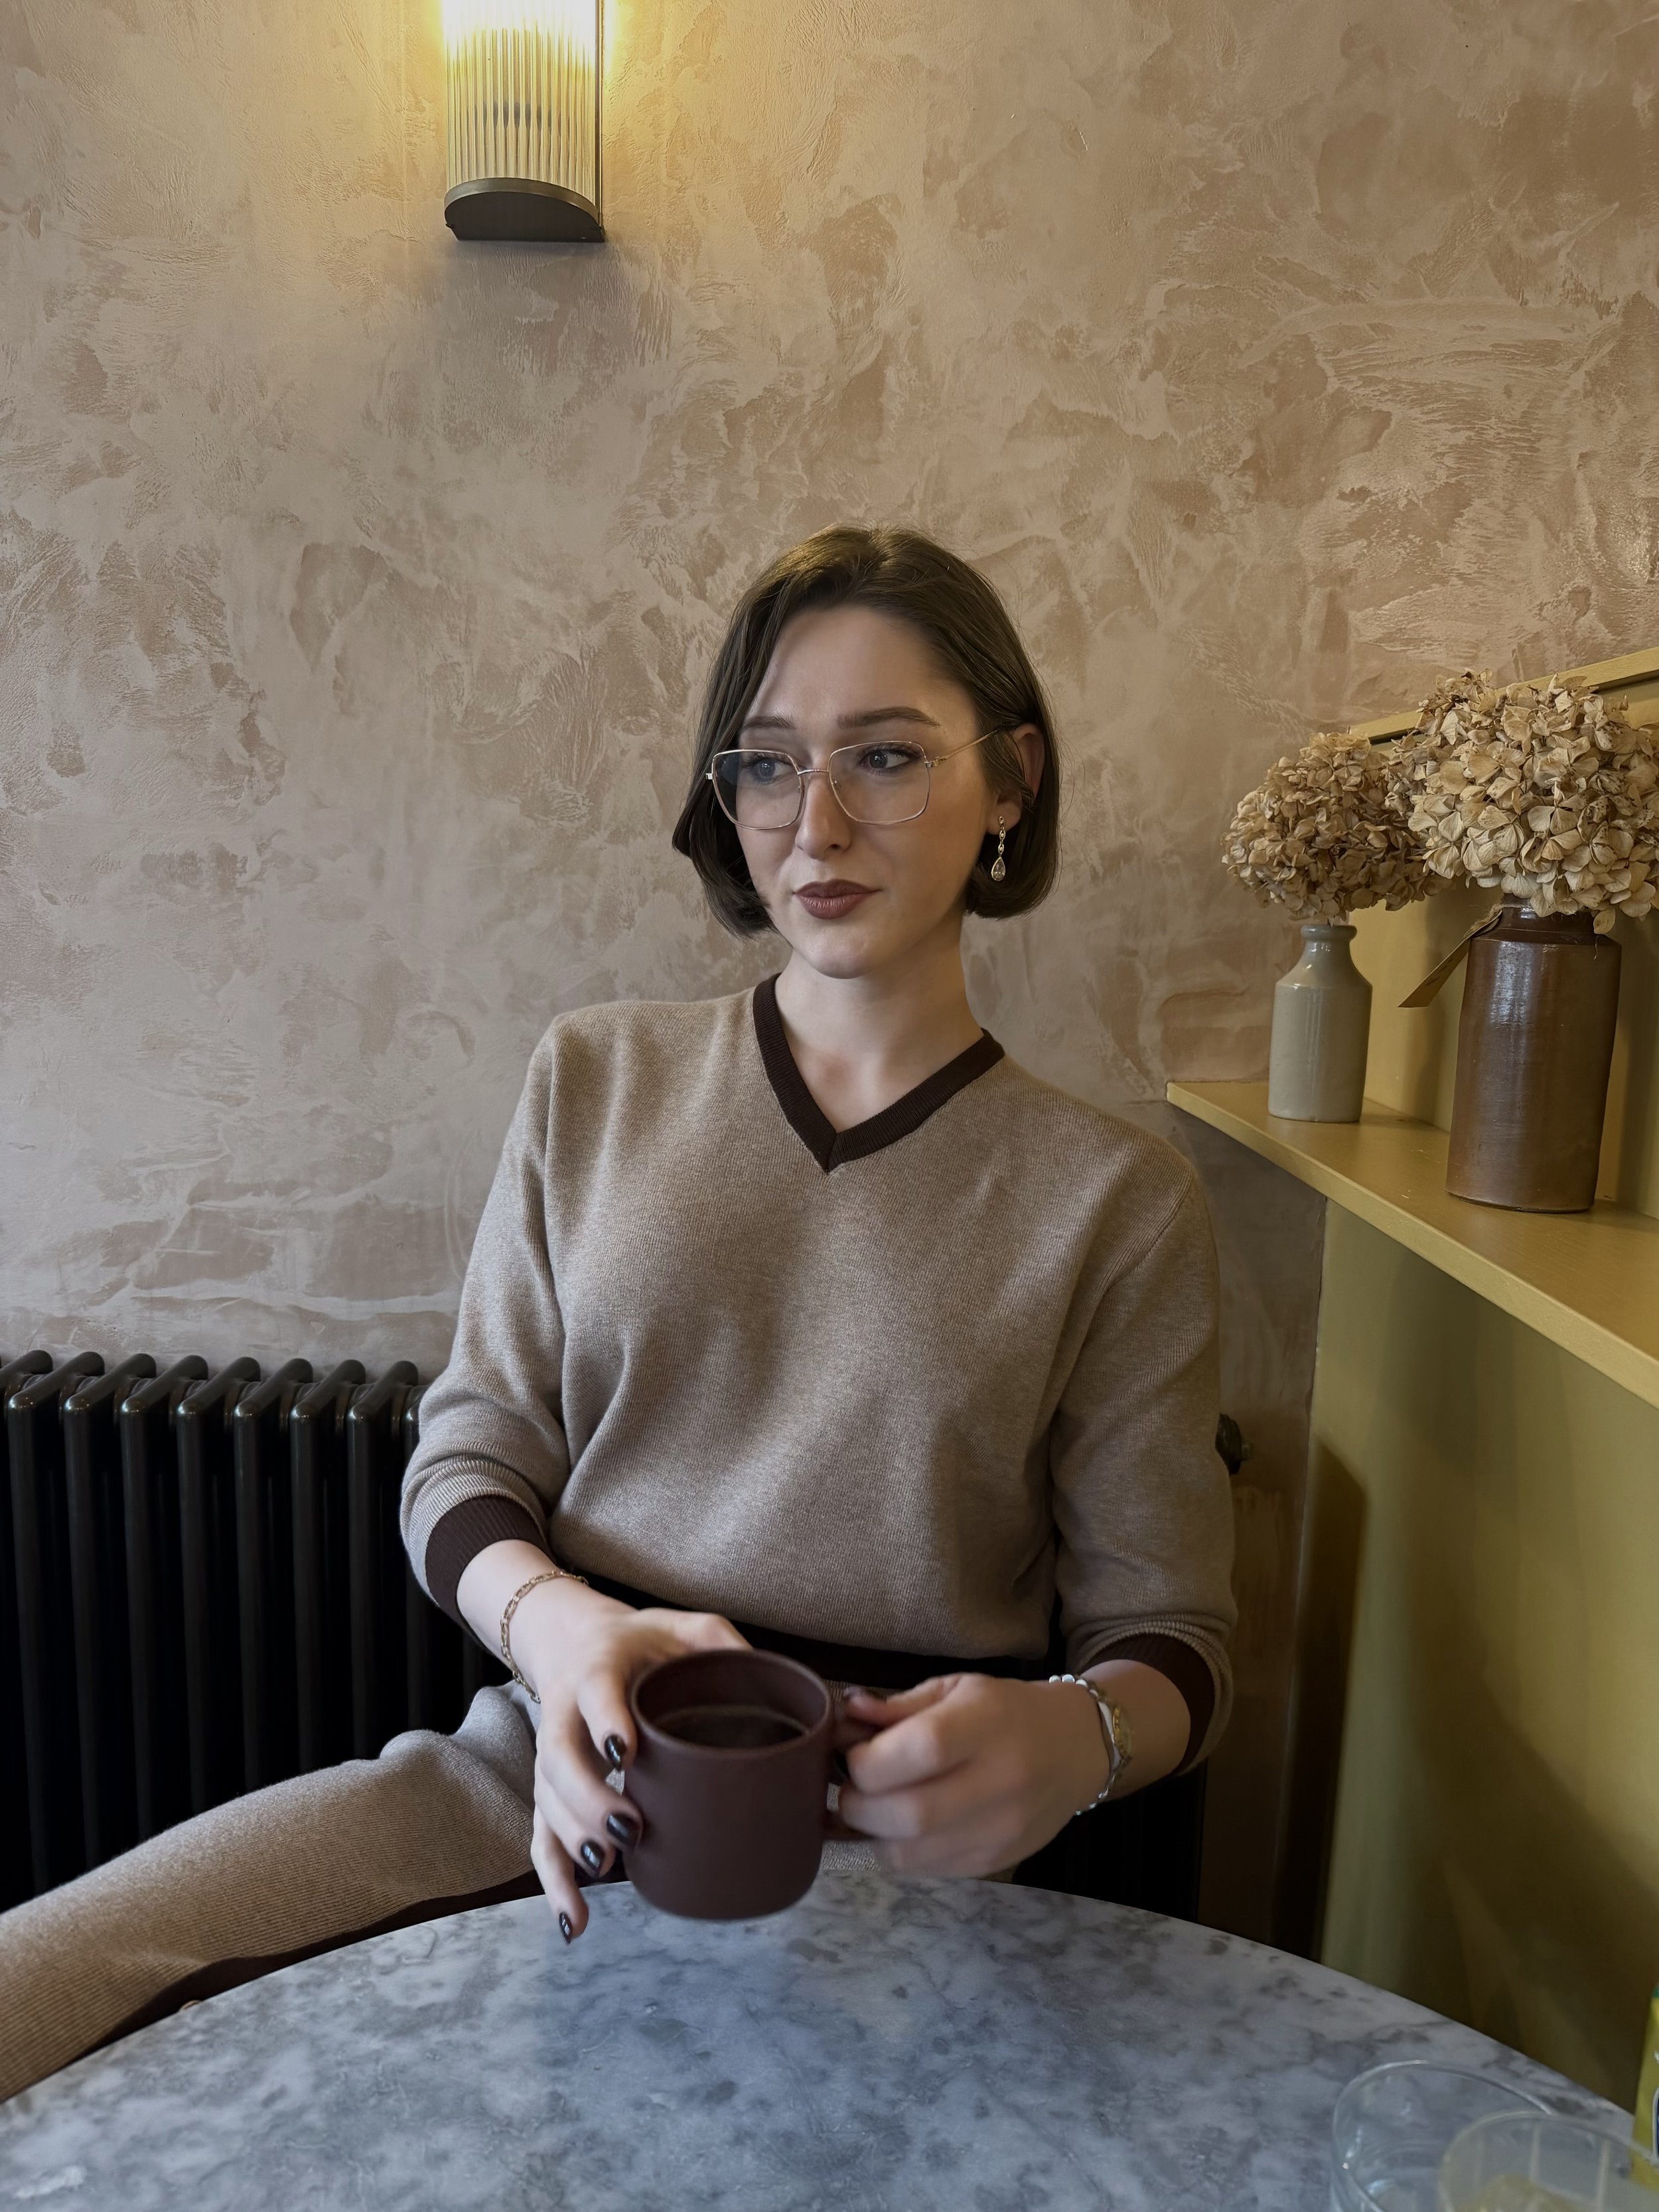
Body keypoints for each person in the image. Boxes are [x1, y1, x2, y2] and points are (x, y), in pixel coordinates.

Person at [0, 526, 1234, 2101]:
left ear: (1009, 781)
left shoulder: (1116, 1197)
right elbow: (466, 1454)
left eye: (887, 755)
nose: (819, 820)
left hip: (917, 1866)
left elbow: (1170, 1634)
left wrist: (1078, 1745)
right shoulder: (595, 1077)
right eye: (768, 763)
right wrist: (560, 1625)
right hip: (547, 1773)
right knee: (43, 1994)